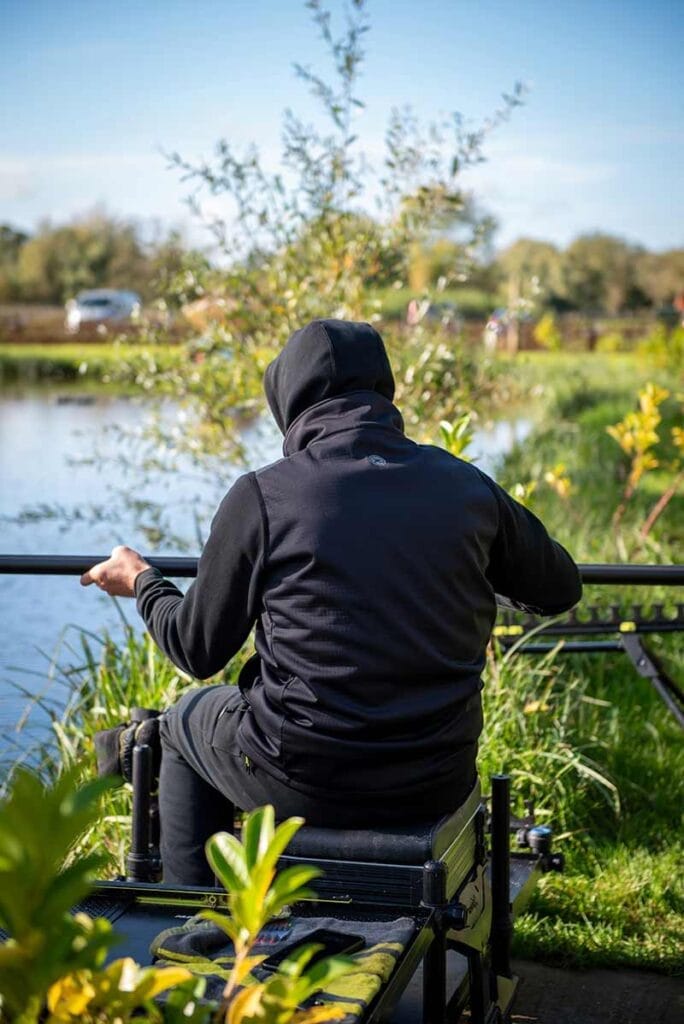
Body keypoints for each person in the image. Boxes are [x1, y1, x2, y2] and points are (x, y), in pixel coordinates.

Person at [81, 319, 581, 885]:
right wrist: (463, 566)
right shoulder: (465, 485)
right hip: (437, 777)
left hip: (305, 779)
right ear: (383, 390)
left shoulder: (264, 495)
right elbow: (559, 588)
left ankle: (193, 915)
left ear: (288, 399)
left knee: (182, 723)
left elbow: (195, 650)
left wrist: (143, 580)